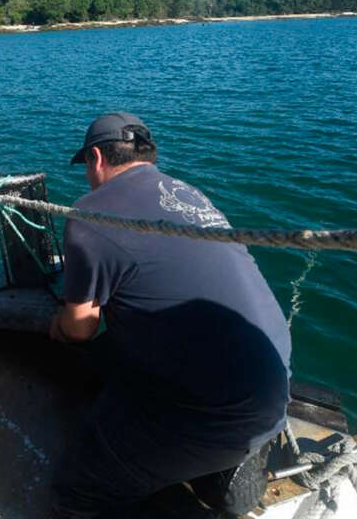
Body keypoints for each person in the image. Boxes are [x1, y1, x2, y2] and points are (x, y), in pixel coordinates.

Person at [48, 112, 291, 519]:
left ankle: (188, 474)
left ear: (96, 158)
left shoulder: (91, 214)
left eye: (87, 167)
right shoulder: (191, 194)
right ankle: (220, 468)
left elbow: (81, 328)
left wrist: (56, 323)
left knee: (78, 492)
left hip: (214, 416)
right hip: (273, 385)